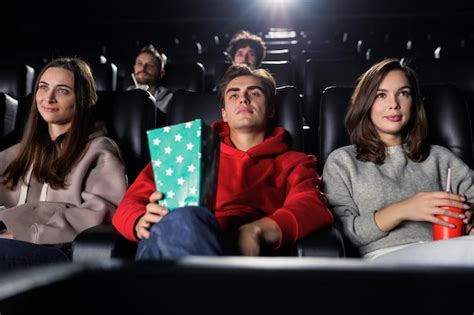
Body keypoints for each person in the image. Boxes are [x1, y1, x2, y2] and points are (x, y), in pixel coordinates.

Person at [112, 64, 333, 259]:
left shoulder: (294, 162)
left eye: (254, 93)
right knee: (186, 219)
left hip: (246, 255)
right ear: (224, 113)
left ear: (271, 109)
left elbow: (311, 206)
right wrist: (138, 219)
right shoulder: (187, 150)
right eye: (233, 95)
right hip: (172, 241)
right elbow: (129, 203)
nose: (243, 99)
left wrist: (258, 230)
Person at [322, 58, 474, 264]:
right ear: (366, 104)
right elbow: (343, 233)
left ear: (414, 103)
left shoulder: (441, 157)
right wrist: (404, 209)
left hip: (450, 252)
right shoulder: (342, 162)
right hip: (387, 260)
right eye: (381, 95)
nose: (393, 104)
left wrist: (470, 218)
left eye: (403, 93)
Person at [0, 57, 127, 270]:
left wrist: (17, 234)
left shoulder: (99, 149)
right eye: (43, 87)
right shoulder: (20, 151)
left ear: (82, 99)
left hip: (59, 249)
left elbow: (104, 212)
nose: (48, 98)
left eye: (62, 91)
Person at [128, 44, 173, 113]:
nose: (143, 68)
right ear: (134, 68)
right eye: (139, 63)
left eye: (150, 65)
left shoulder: (170, 100)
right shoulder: (125, 95)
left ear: (161, 73)